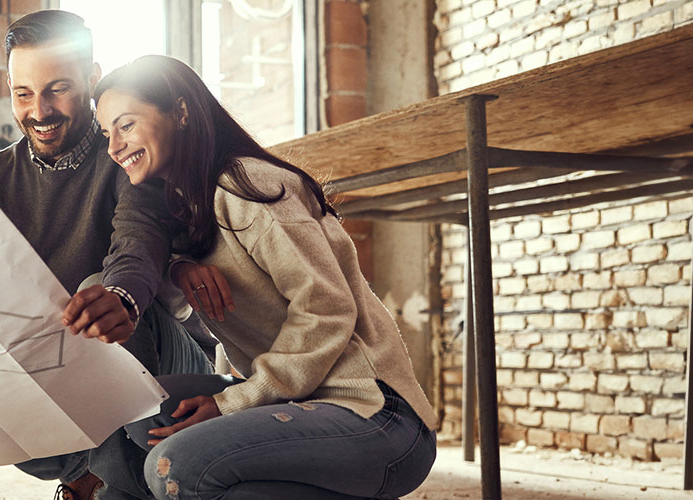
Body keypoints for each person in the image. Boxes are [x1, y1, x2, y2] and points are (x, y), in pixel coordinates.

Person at [88, 54, 439, 500]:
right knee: (144, 413)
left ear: (180, 112)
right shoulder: (184, 203)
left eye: (126, 125)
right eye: (106, 133)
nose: (115, 147)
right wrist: (180, 266)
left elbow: (327, 310)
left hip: (375, 414)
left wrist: (229, 404)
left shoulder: (247, 187)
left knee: (174, 467)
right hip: (296, 400)